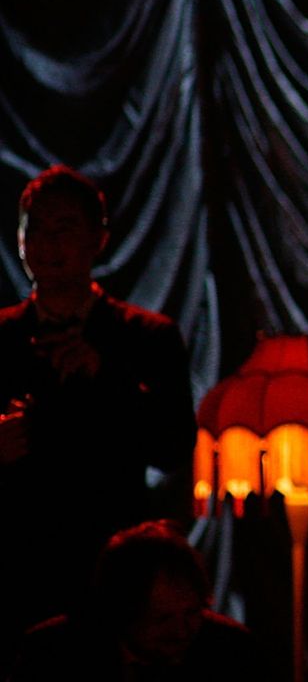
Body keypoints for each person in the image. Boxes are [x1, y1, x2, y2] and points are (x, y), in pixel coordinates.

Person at [0, 166, 196, 656]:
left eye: (64, 228)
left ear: (98, 239)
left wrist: (110, 380)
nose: (49, 244)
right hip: (16, 564)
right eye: (36, 229)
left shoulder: (146, 337)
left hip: (112, 565)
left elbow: (174, 446)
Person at [6, 519, 262, 681]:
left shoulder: (229, 650)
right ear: (120, 610)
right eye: (163, 619)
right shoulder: (55, 652)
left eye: (192, 613)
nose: (181, 631)